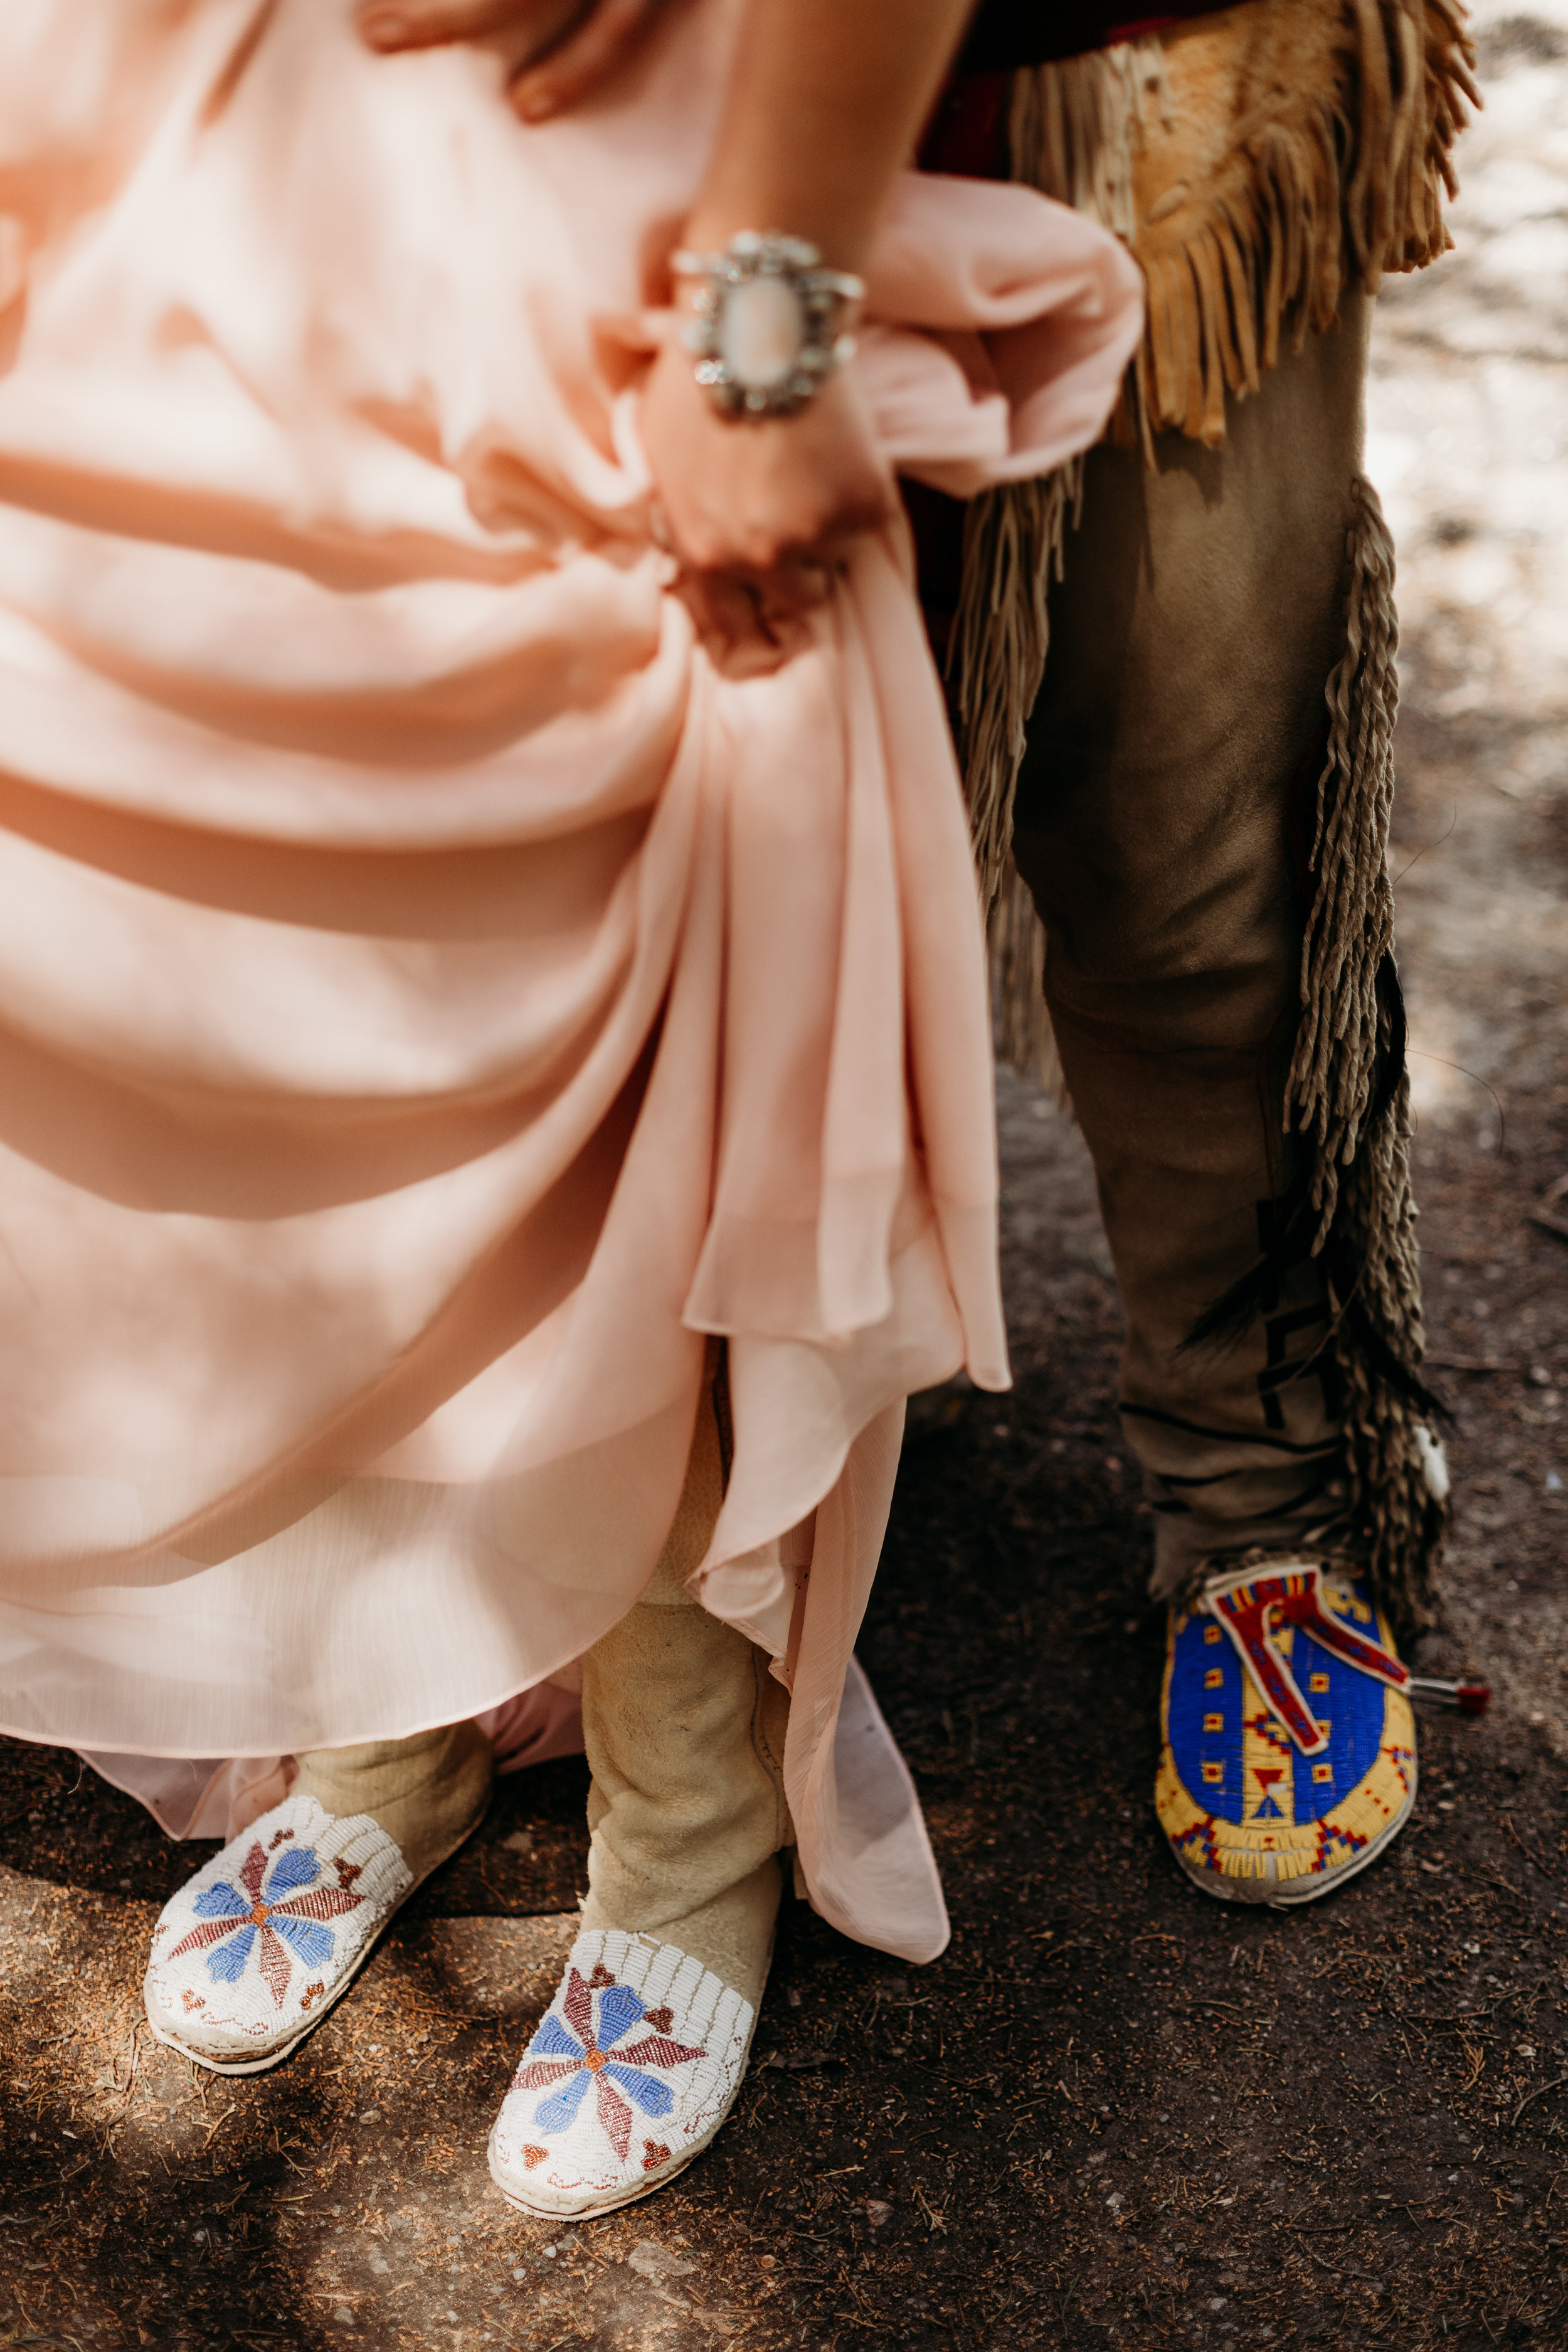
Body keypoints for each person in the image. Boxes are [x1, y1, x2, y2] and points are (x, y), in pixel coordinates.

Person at [0, 0, 1138, 2217]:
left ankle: (687, 1827)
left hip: (584, 195)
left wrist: (766, 318)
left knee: (640, 1073)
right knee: (262, 1033)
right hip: (179, 156)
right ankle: (385, 1723)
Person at [363, 0, 1480, 1909]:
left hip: (1137, 57)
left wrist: (762, 315)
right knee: (638, 857)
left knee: (1180, 850)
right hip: (624, 113)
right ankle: (651, 1523)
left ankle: (1256, 1503)